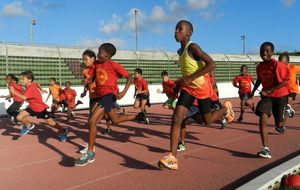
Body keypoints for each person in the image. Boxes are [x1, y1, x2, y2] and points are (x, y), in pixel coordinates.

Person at [158, 20, 234, 170]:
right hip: (188, 89)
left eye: (179, 29)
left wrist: (190, 78)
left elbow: (212, 64)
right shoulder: (180, 52)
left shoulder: (193, 47)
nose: (175, 32)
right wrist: (179, 84)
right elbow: (187, 71)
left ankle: (225, 109)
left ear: (189, 33)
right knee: (176, 118)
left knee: (206, 120)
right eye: (175, 29)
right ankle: (173, 158)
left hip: (202, 88)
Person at [74, 43, 142, 166]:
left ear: (108, 55)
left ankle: (90, 153)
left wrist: (123, 92)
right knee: (115, 120)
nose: (98, 54)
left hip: (109, 95)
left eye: (100, 52)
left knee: (92, 121)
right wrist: (87, 81)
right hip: (101, 96)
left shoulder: (113, 65)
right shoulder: (96, 64)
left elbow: (129, 76)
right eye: (98, 51)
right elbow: (93, 78)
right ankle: (138, 116)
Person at [250, 42, 290, 159]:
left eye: (267, 51)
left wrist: (269, 90)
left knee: (279, 124)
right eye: (262, 51)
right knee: (263, 116)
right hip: (267, 97)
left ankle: (286, 111)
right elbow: (259, 79)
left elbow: (285, 82)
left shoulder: (277, 65)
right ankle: (265, 148)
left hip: (280, 96)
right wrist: (253, 91)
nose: (264, 53)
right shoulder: (260, 67)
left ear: (272, 52)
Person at [9, 70, 68, 141]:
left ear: (29, 80)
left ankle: (63, 130)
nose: (21, 80)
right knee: (19, 117)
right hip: (32, 107)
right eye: (21, 79)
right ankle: (29, 125)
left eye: (23, 79)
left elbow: (24, 97)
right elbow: (37, 84)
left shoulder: (30, 88)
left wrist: (13, 91)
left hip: (40, 109)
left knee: (51, 123)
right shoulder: (31, 84)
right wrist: (42, 89)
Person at [278, 53, 300, 118]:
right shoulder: (279, 69)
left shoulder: (293, 67)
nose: (280, 64)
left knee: (287, 101)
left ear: (287, 62)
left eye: (282, 62)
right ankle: (290, 111)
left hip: (293, 90)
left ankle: (288, 110)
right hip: (284, 90)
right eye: (279, 62)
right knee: (285, 104)